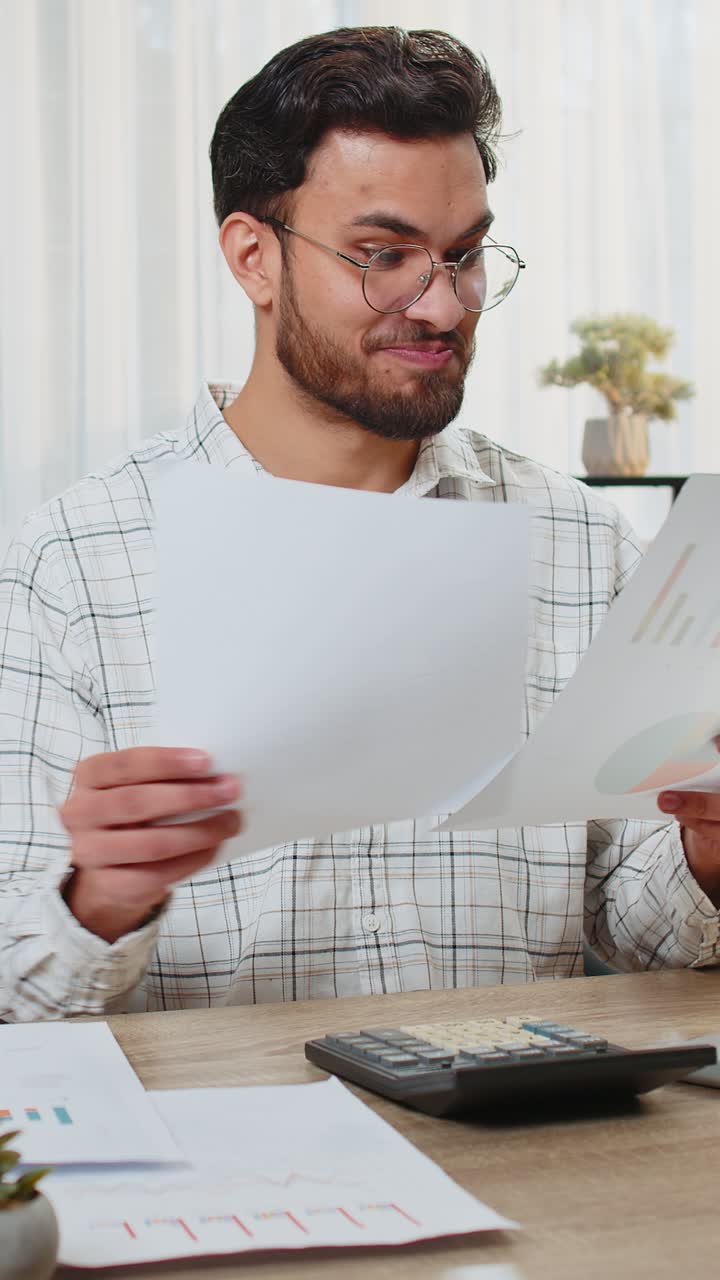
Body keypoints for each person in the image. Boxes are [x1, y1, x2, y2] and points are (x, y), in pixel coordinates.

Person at [1, 26, 719, 1024]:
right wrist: (102, 899)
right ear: (254, 257)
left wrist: (706, 847)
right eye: (386, 256)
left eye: (464, 256)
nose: (443, 305)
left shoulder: (580, 542)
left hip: (527, 1159)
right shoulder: (75, 566)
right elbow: (16, 991)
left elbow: (639, 932)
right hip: (226, 1162)